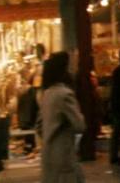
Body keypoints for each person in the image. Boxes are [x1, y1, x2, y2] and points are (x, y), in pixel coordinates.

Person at [41, 52, 86, 183]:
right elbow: (80, 125)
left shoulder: (47, 93)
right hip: (63, 156)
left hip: (49, 153)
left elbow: (38, 124)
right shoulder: (65, 94)